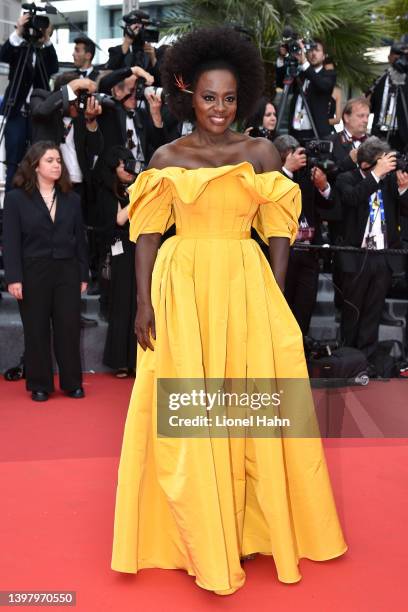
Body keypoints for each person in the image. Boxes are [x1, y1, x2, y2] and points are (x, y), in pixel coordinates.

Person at [111, 27, 347, 595]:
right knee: (189, 413)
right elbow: (145, 233)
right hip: (183, 288)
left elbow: (280, 230)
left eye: (229, 98)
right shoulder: (169, 155)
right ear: (187, 94)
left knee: (251, 407)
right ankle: (196, 535)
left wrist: (274, 292)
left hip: (244, 284)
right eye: (209, 97)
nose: (219, 109)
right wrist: (143, 303)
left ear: (242, 99)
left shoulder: (259, 151)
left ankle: (249, 525)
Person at [2, 141, 89, 401]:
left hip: (67, 271)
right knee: (36, 329)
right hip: (32, 272)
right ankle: (39, 384)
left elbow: (80, 240)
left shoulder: (72, 199)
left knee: (68, 328)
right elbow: (11, 241)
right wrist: (14, 277)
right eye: (50, 160)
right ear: (35, 165)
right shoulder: (17, 198)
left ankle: (72, 382)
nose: (56, 165)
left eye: (58, 161)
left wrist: (83, 274)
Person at [334, 136, 408, 367]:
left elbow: (403, 210)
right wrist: (376, 174)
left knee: (373, 311)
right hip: (357, 256)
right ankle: (347, 358)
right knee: (352, 310)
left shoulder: (387, 182)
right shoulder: (347, 178)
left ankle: (367, 360)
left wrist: (404, 188)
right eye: (381, 162)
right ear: (368, 163)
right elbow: (353, 198)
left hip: (383, 256)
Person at [273, 135, 333, 335]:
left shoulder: (305, 176)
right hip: (284, 255)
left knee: (305, 309)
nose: (301, 158)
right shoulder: (273, 175)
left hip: (309, 253)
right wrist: (287, 169)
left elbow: (328, 206)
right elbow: (274, 196)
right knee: (282, 308)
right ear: (283, 156)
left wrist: (323, 186)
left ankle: (302, 353)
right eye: (295, 154)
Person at [0, 13, 59, 191]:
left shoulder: (45, 52)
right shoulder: (19, 48)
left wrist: (46, 39)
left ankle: (36, 199)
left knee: (39, 158)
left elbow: (54, 67)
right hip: (16, 110)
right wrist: (18, 31)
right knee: (14, 159)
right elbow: (3, 55)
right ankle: (11, 202)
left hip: (39, 114)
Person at [96, 146, 137, 377]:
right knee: (122, 306)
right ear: (113, 169)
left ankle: (136, 360)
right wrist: (138, 197)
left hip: (139, 250)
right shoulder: (107, 192)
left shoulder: (134, 189)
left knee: (138, 304)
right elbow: (119, 220)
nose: (129, 169)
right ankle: (120, 360)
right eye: (124, 165)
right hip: (119, 253)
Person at [289, 38, 336, 142]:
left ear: (324, 56)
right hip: (295, 132)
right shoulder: (301, 73)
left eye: (317, 50)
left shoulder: (329, 74)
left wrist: (305, 63)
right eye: (311, 50)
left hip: (315, 134)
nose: (313, 53)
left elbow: (321, 84)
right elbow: (281, 83)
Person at [368, 44, 408, 152]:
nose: (398, 61)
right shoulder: (380, 79)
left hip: (401, 135)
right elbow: (370, 105)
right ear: (389, 58)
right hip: (379, 133)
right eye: (396, 57)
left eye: (402, 58)